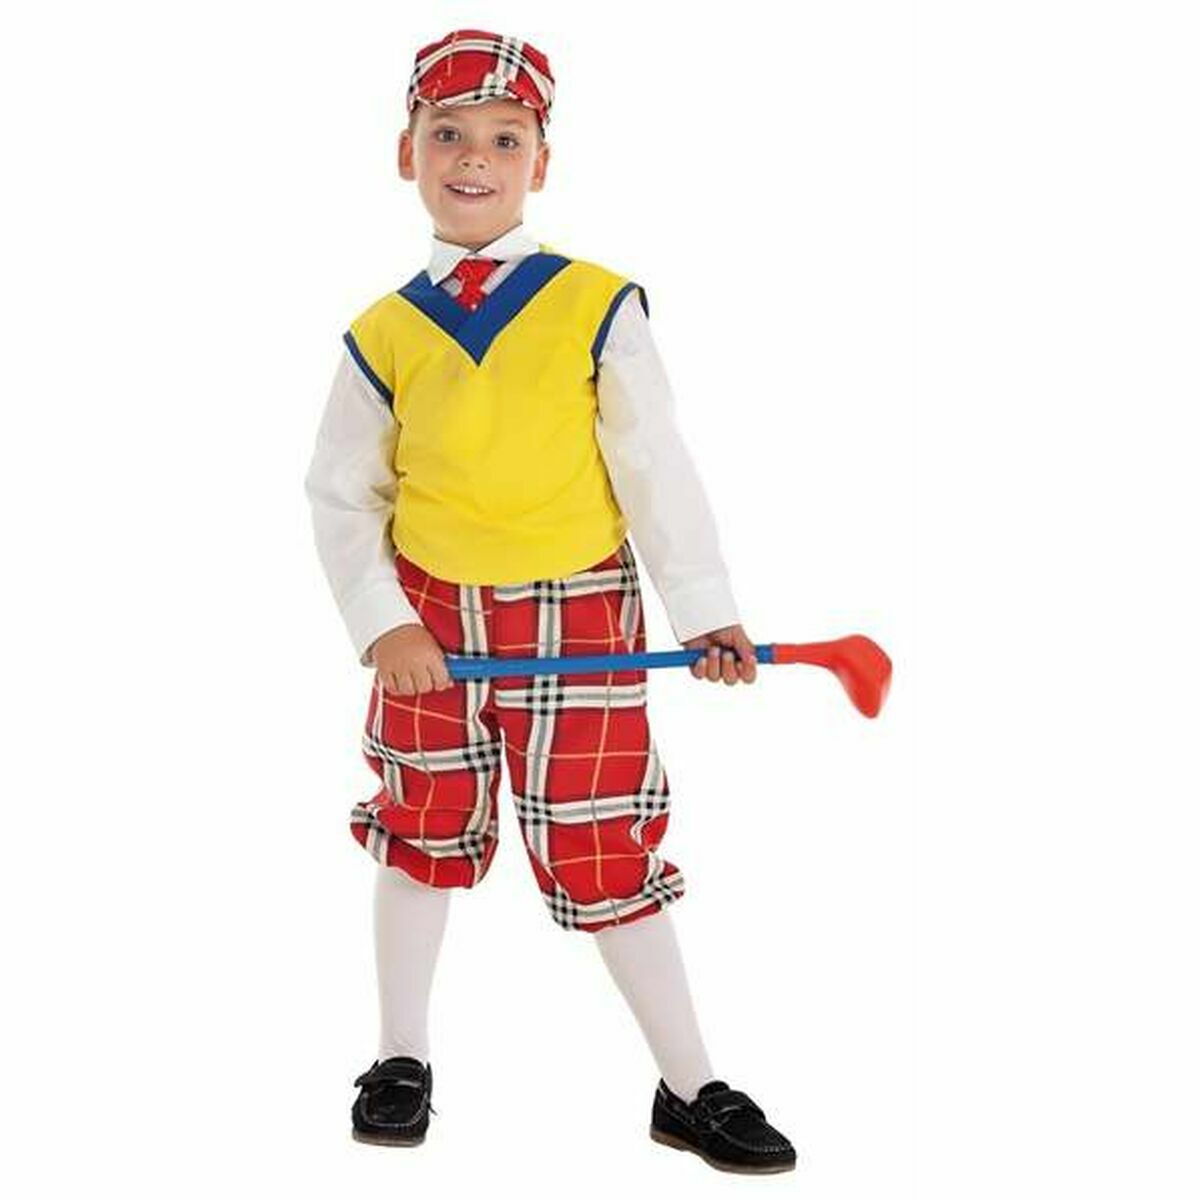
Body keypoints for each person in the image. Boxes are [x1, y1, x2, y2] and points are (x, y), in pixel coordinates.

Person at [304, 28, 796, 1175]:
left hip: (580, 617)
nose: (474, 158)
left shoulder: (596, 305)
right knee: (423, 825)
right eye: (447, 134)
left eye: (504, 138)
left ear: (542, 160)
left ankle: (691, 1084)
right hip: (430, 627)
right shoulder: (383, 332)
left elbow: (653, 463)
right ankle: (400, 1057)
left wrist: (704, 607)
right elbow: (341, 492)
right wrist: (383, 621)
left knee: (601, 837)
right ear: (407, 153)